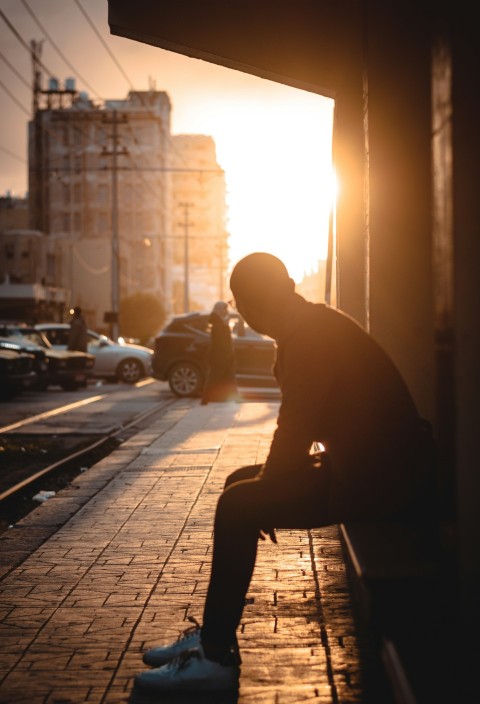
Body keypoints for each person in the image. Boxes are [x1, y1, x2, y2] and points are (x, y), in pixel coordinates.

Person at [135, 252, 436, 693]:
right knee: (241, 485)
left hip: (377, 479)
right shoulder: (308, 327)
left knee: (238, 504)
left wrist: (271, 490)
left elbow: (295, 428)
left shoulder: (310, 337)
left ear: (256, 305)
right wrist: (271, 487)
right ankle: (213, 635)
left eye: (247, 304)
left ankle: (215, 657)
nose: (249, 314)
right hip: (370, 466)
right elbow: (301, 427)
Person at [200, 300, 238, 404]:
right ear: (219, 310)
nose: (226, 311)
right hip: (219, 357)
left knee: (228, 378)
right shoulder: (218, 323)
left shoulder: (220, 321)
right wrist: (228, 355)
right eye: (224, 309)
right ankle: (205, 399)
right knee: (215, 377)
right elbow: (221, 342)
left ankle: (233, 398)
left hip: (223, 356)